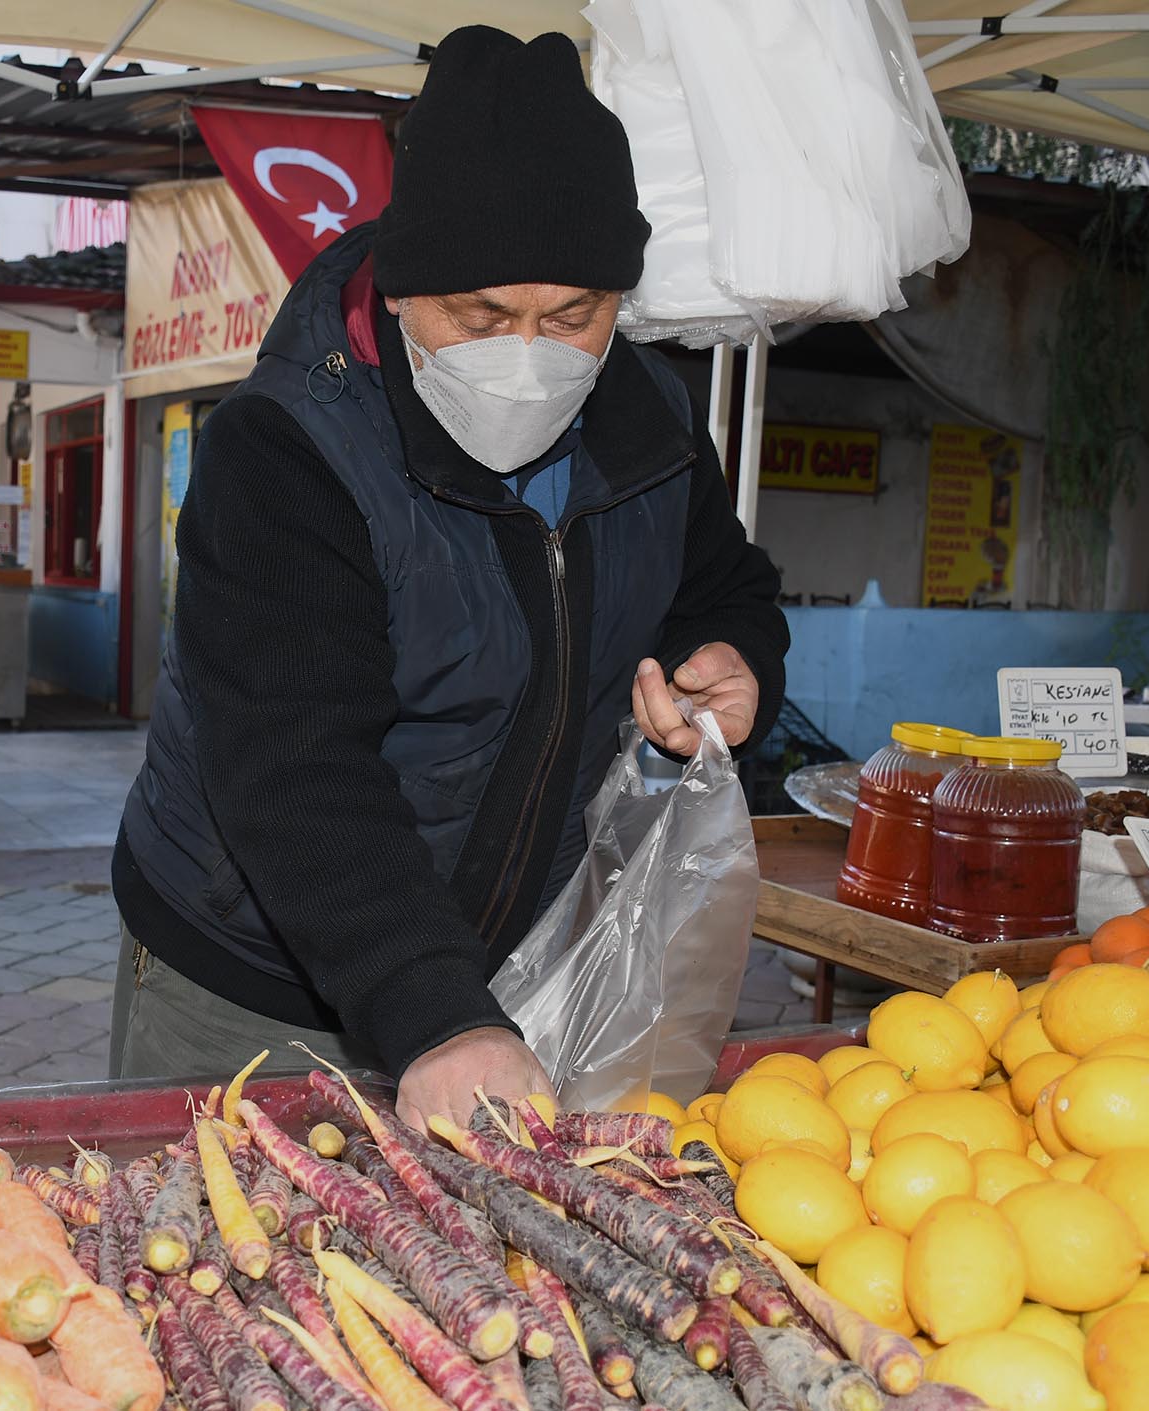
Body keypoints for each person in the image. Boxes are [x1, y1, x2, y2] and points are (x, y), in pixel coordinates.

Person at [110, 25, 789, 1128]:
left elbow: (724, 581)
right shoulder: (288, 450)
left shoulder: (649, 426)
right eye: (481, 318)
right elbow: (293, 762)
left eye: (571, 316)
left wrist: (734, 655)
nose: (528, 353)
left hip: (506, 967)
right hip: (252, 979)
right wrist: (432, 1010)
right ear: (398, 290)